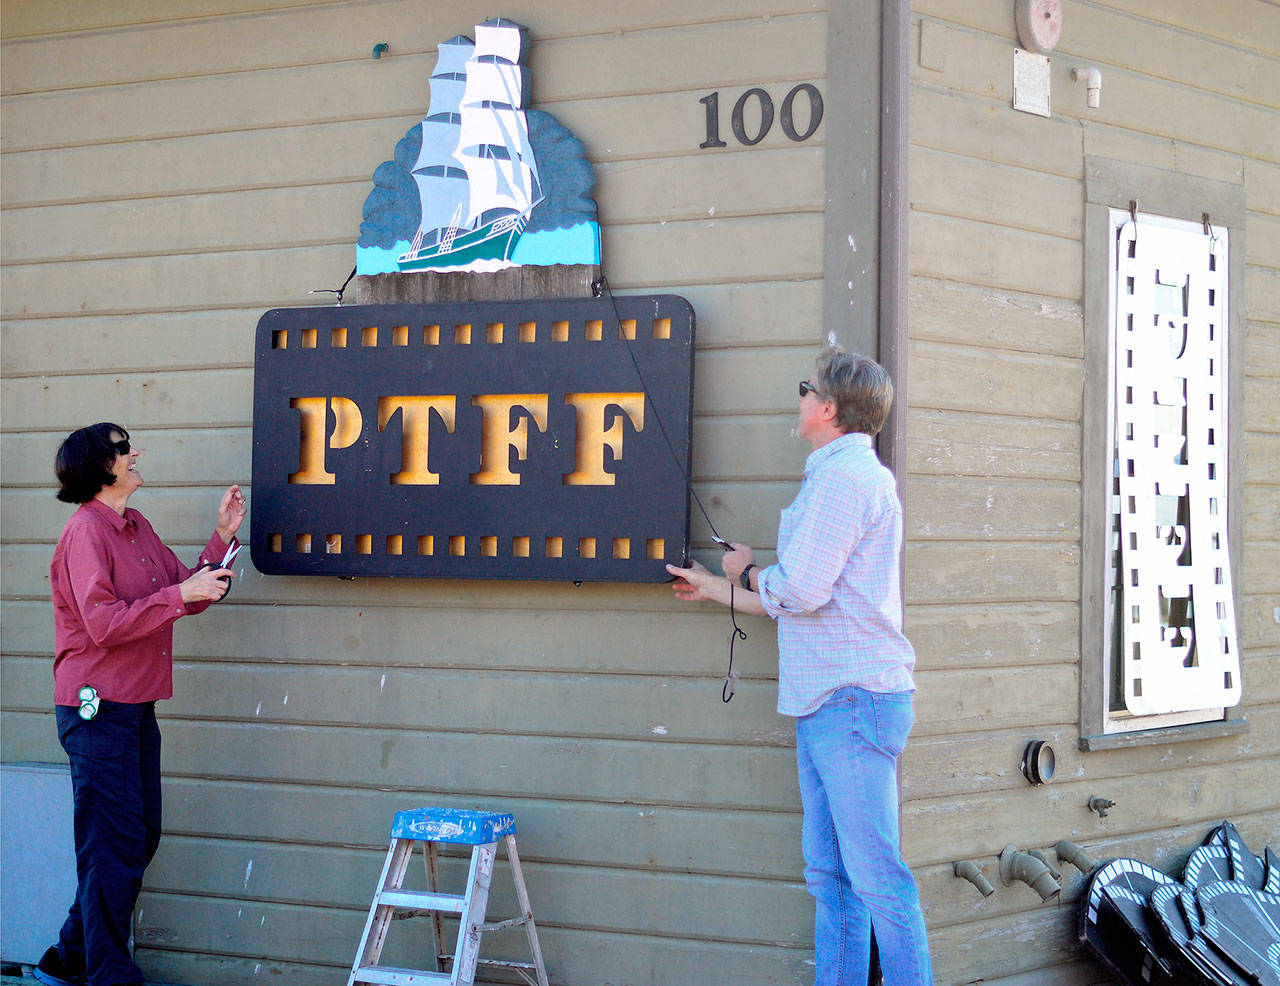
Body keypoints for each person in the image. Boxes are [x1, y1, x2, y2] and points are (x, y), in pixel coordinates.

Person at [666, 349, 932, 985]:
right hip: (829, 703)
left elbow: (802, 589)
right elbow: (800, 604)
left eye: (806, 390)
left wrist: (748, 570)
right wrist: (712, 587)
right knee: (834, 877)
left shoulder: (846, 480)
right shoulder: (835, 476)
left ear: (830, 409)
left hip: (851, 704)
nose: (801, 399)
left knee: (877, 881)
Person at [35, 423, 245, 986]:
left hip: (134, 706)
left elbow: (185, 592)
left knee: (137, 836)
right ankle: (107, 974)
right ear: (102, 466)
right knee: (112, 845)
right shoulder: (85, 533)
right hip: (95, 709)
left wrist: (223, 536)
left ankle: (69, 957)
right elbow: (103, 624)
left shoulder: (134, 526)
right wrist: (180, 595)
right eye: (125, 450)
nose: (135, 456)